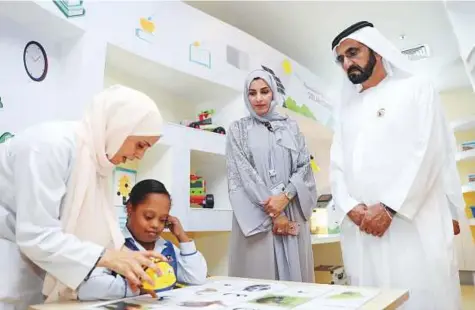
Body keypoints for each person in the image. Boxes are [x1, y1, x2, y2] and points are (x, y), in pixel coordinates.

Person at [330, 21, 463, 309]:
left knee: (422, 296)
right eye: (341, 58)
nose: (346, 63)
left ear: (376, 50)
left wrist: (390, 207)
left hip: (411, 225)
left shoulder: (417, 88)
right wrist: (350, 206)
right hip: (363, 229)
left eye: (353, 52)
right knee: (373, 297)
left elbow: (429, 151)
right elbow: (336, 165)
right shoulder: (346, 109)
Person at [0, 85, 168, 310]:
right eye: (140, 145)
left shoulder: (98, 163)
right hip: (8, 264)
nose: (139, 155)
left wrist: (129, 259)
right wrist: (110, 257)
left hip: (38, 269)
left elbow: (95, 230)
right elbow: (36, 235)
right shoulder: (50, 145)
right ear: (119, 126)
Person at [225, 69, 317, 282]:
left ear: (273, 93)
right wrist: (276, 212)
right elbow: (242, 173)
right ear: (246, 96)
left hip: (291, 207)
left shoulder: (291, 127)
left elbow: (304, 166)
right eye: (252, 93)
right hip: (259, 216)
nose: (258, 98)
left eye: (264, 91)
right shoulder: (238, 129)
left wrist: (285, 197)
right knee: (260, 282)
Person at [77, 179, 207, 301]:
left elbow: (196, 277)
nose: (156, 225)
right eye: (148, 217)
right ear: (130, 209)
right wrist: (136, 289)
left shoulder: (167, 247)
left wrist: (182, 236)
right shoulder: (114, 245)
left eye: (163, 220)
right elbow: (87, 288)